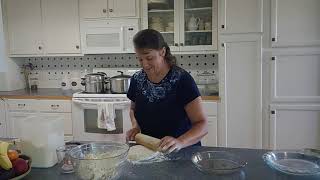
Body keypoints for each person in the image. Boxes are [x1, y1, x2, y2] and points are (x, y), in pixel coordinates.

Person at [126, 29, 208, 153]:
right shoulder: (137, 79)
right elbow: (133, 109)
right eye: (140, 59)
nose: (145, 65)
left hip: (182, 153)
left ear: (162, 52)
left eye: (149, 58)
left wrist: (180, 141)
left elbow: (202, 124)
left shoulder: (181, 79)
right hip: (150, 152)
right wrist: (135, 126)